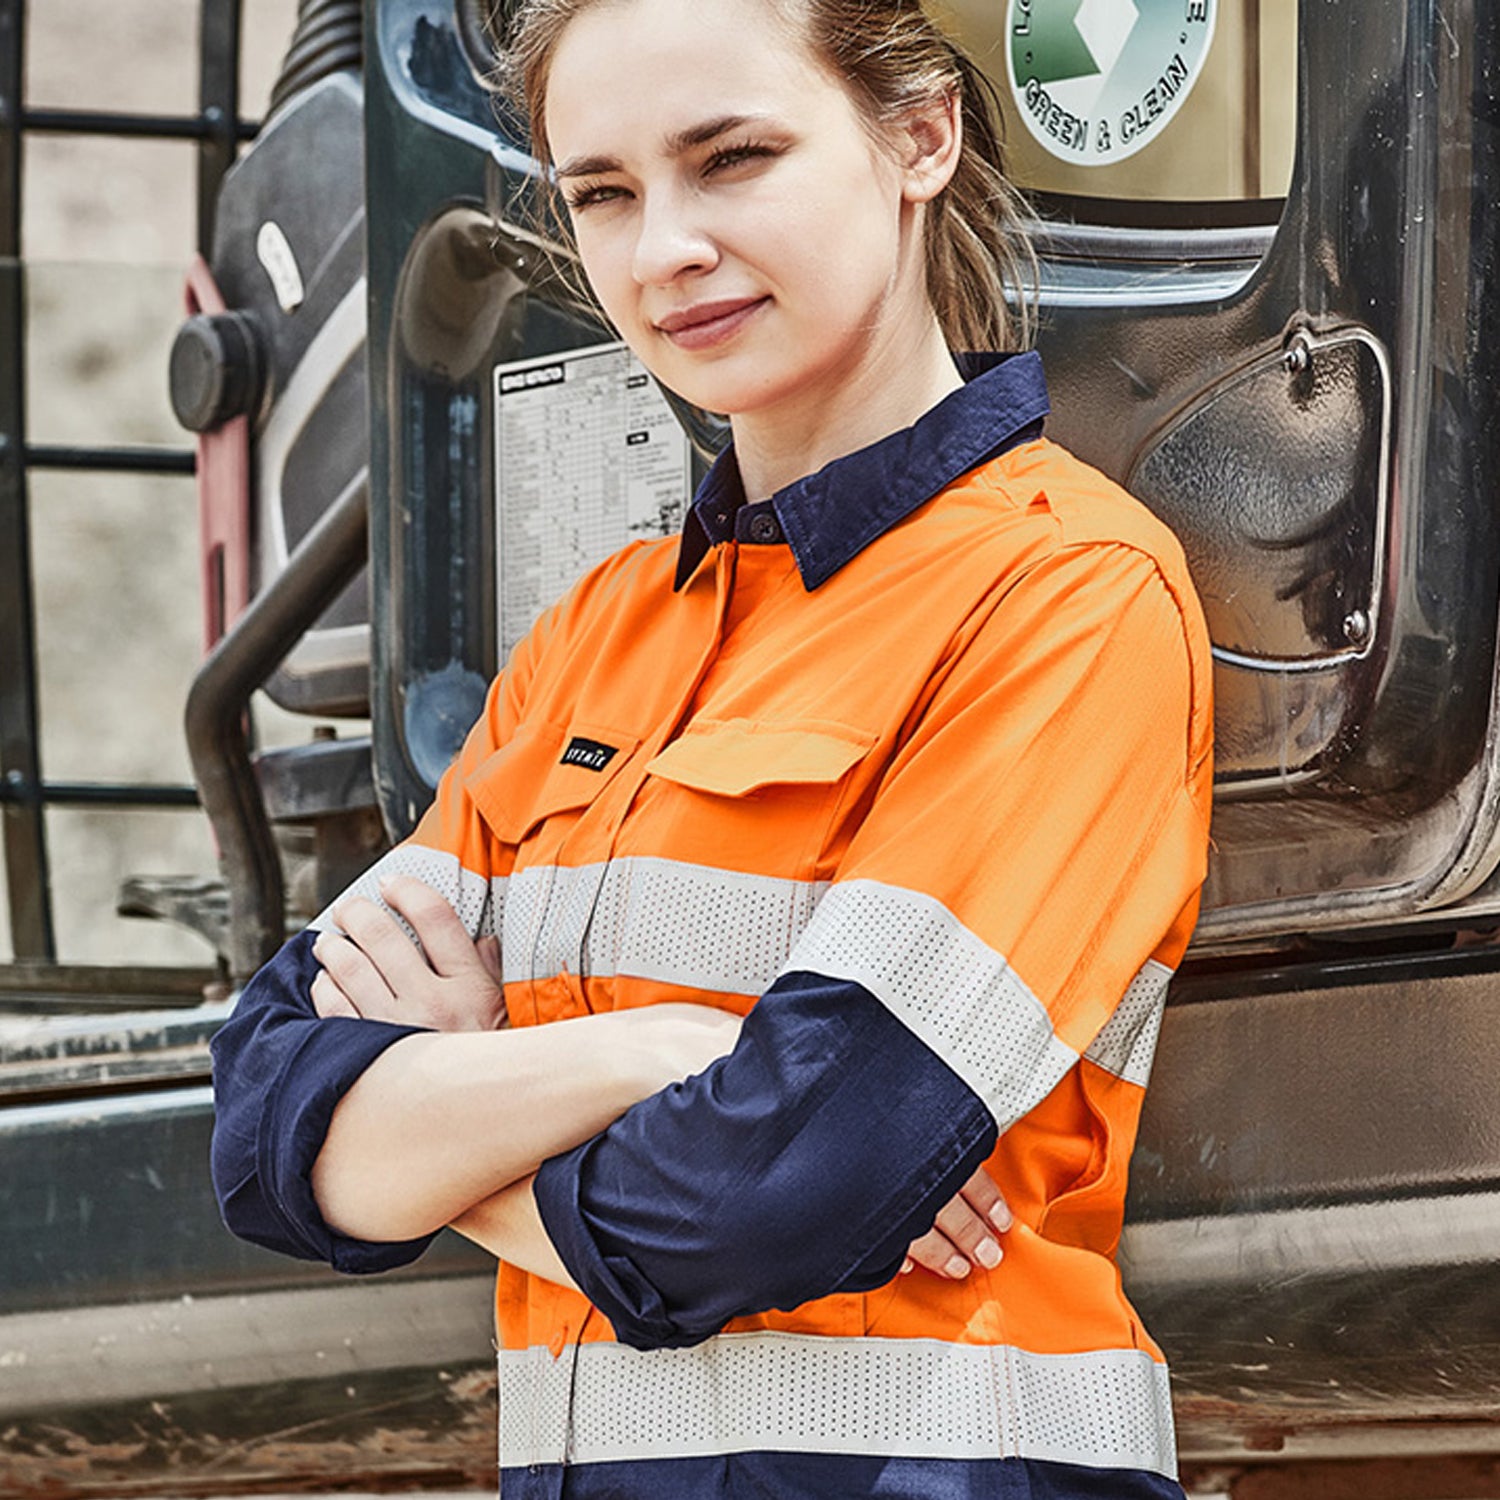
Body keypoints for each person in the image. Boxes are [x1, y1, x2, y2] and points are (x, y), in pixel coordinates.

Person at [208, 0, 1215, 1496]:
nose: (659, 249)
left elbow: (763, 1193)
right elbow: (263, 1119)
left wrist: (450, 1107)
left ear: (921, 134)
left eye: (731, 157)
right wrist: (659, 1055)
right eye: (602, 192)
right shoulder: (592, 638)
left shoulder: (1063, 596)